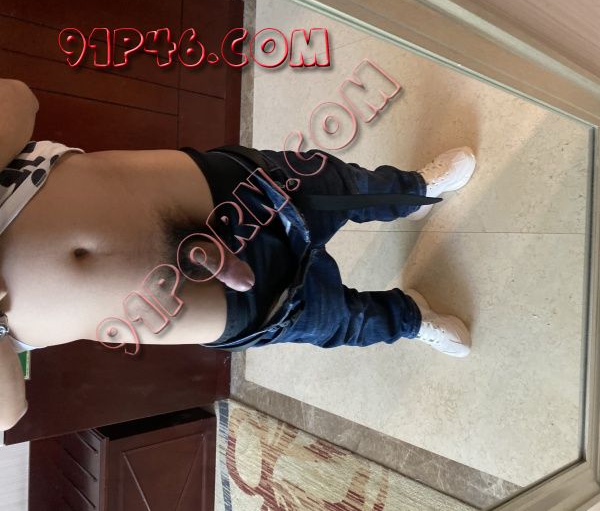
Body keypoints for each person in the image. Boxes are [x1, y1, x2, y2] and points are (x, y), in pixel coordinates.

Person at [0, 78, 476, 431]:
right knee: (338, 321)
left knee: (344, 187)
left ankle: (414, 190)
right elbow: (8, 412)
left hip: (232, 193)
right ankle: (412, 318)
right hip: (220, 308)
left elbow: (20, 97)